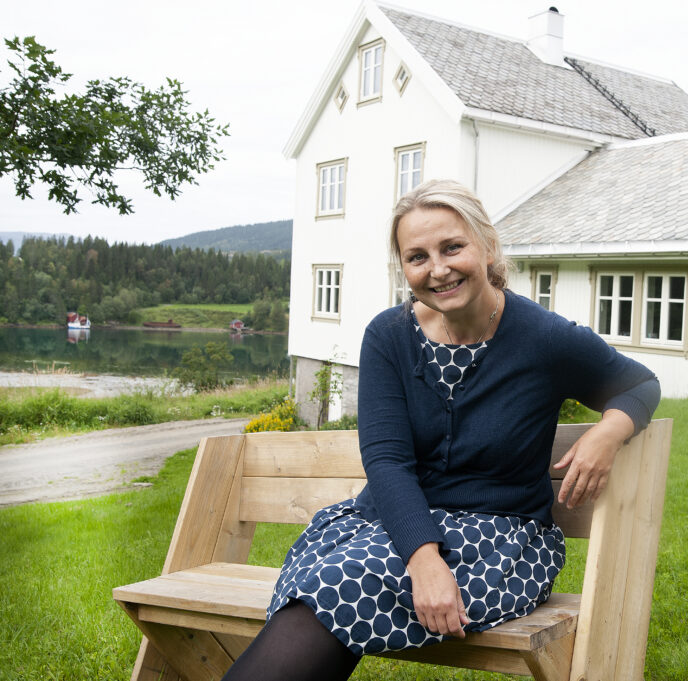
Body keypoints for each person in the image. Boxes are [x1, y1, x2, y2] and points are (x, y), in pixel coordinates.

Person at [222, 179, 660, 681]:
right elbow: (387, 460)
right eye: (417, 257)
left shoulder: (544, 337)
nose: (438, 269)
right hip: (391, 525)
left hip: (497, 541)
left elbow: (639, 385)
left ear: (487, 245)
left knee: (331, 592)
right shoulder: (389, 335)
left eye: (452, 247)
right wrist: (423, 561)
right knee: (318, 589)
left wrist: (609, 430)